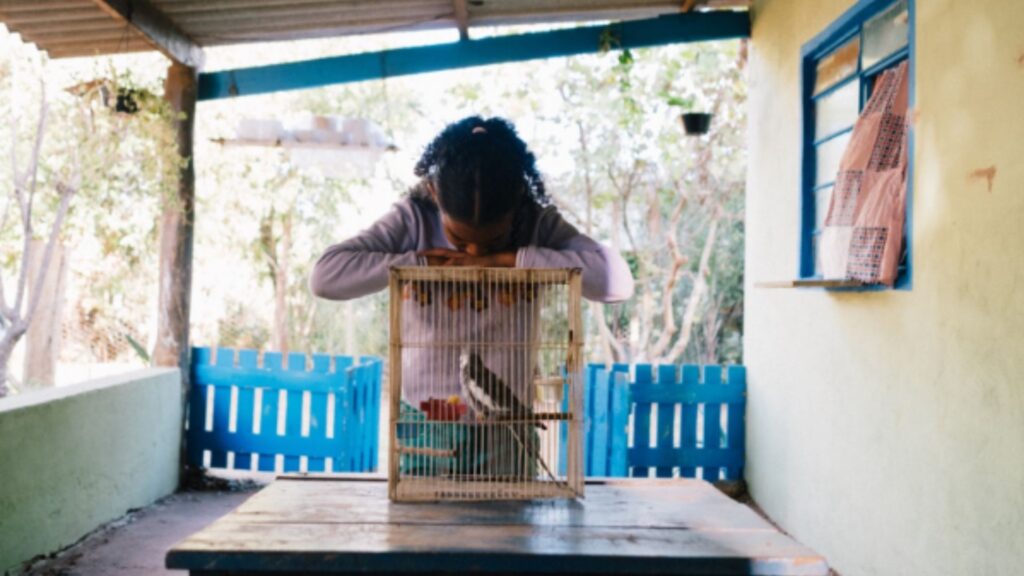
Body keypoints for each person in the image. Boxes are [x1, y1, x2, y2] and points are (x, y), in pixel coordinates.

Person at [310, 116, 633, 479]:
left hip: (507, 429)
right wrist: (414, 262)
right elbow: (325, 277)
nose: (476, 251)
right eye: (461, 241)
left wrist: (511, 258)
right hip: (425, 423)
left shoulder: (536, 225)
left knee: (508, 533)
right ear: (434, 193)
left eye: (493, 241)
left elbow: (617, 282)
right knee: (421, 533)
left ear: (517, 202)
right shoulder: (413, 220)